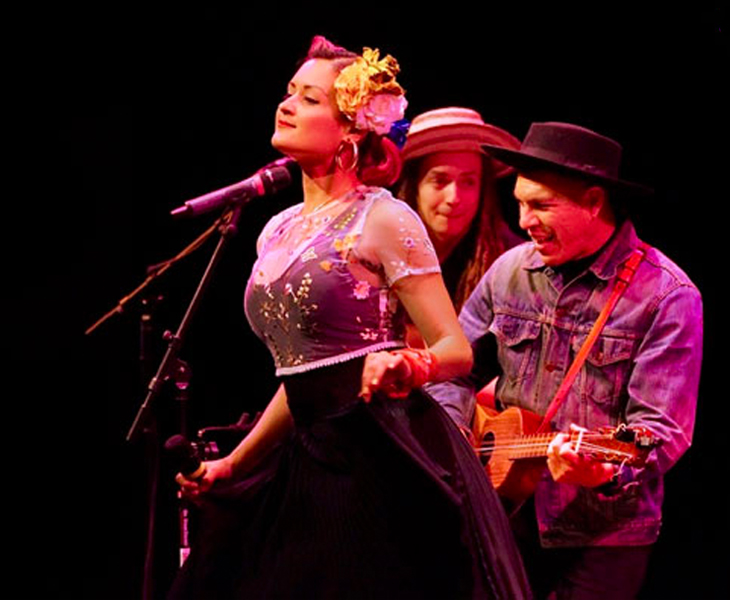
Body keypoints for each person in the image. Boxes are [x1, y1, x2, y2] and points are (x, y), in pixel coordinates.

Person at [168, 36, 531, 599]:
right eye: (289, 92)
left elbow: (454, 349)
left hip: (374, 451)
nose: (286, 105)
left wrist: (407, 366)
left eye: (309, 99)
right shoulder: (278, 228)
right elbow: (301, 379)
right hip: (307, 454)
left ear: (351, 132)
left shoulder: (384, 218)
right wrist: (236, 465)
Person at [426, 122, 703, 599]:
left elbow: (659, 433)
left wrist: (602, 473)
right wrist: (458, 444)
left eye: (540, 205)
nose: (524, 220)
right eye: (519, 203)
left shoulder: (667, 297)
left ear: (594, 202)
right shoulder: (510, 271)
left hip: (601, 540)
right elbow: (455, 367)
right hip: (503, 516)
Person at [396, 107, 523, 313]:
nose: (454, 198)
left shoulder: (510, 262)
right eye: (440, 181)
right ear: (413, 188)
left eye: (469, 182)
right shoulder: (376, 250)